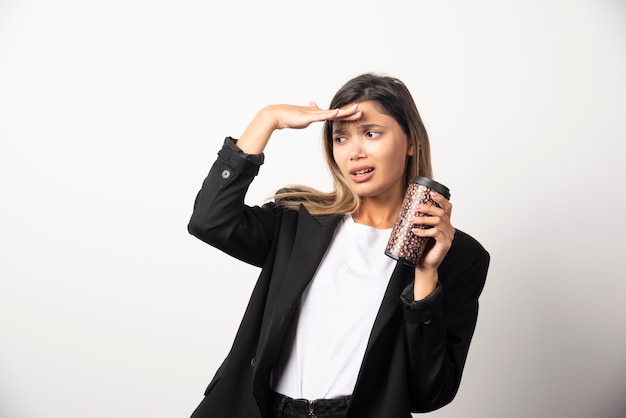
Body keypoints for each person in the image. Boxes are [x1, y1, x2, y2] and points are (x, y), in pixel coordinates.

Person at [187, 73, 490, 418]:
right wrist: (267, 118)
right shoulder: (298, 222)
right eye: (340, 138)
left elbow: (428, 393)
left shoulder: (459, 256)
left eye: (371, 133)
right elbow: (210, 220)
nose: (354, 152)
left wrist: (426, 275)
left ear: (411, 142)